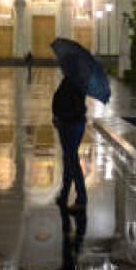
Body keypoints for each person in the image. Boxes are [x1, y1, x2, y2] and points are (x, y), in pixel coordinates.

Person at [52, 74, 87, 211]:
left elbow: (63, 101)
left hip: (69, 125)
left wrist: (58, 116)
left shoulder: (71, 81)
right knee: (68, 158)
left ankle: (81, 199)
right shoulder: (77, 80)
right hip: (74, 124)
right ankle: (64, 194)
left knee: (72, 160)